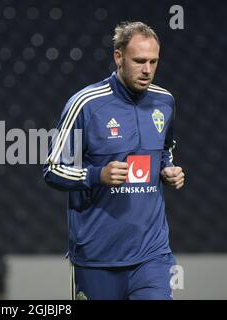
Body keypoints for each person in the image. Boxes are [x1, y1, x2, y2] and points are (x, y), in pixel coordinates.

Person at [43, 21, 185, 300]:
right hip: (97, 259)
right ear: (118, 57)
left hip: (151, 254)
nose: (147, 70)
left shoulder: (164, 101)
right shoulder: (85, 104)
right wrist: (97, 175)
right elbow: (53, 169)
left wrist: (168, 169)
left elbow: (166, 149)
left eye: (153, 62)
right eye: (139, 61)